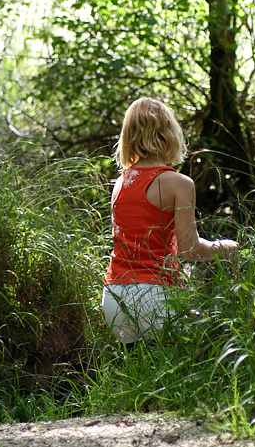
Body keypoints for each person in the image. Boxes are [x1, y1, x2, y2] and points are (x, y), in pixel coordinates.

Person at [102, 97, 238, 348]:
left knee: (136, 381)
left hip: (115, 296)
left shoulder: (120, 183)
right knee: (175, 378)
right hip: (155, 294)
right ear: (169, 133)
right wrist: (226, 248)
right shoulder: (179, 183)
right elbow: (189, 250)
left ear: (129, 134)